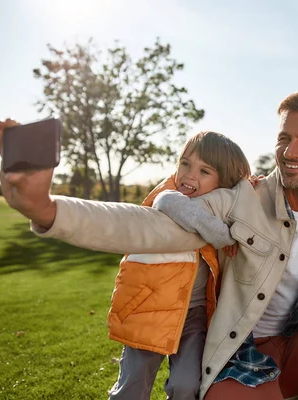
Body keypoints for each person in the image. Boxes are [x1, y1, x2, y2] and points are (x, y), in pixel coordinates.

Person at [0, 90, 298, 400]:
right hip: (244, 352)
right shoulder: (242, 198)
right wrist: (46, 210)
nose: (290, 152)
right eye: (284, 138)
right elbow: (151, 228)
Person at [107, 131, 250, 400]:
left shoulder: (217, 208)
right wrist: (225, 237)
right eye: (185, 163)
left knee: (186, 386)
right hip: (149, 306)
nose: (188, 175)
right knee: (132, 388)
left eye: (204, 170)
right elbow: (171, 204)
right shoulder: (168, 198)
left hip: (194, 313)